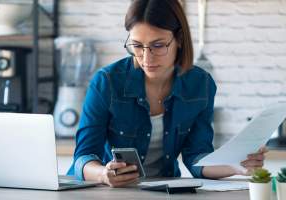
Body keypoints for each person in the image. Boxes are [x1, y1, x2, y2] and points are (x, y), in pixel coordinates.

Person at [68, 0, 266, 187]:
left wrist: (235, 165)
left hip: (164, 190)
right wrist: (104, 174)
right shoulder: (107, 82)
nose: (146, 57)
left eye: (158, 45)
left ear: (179, 39)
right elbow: (84, 157)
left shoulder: (201, 84)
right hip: (105, 191)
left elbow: (197, 156)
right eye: (137, 45)